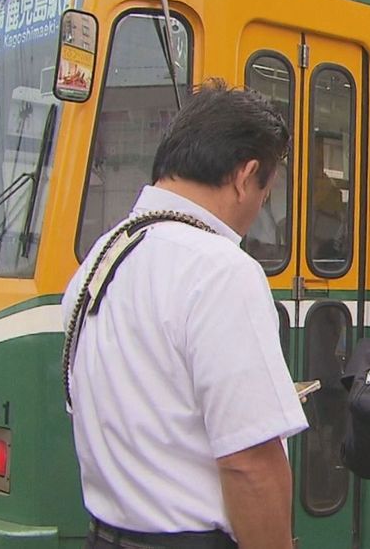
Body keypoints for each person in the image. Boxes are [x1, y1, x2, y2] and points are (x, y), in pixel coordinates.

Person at [63, 81, 308, 549]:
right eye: (266, 192)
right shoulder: (221, 269)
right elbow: (248, 462)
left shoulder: (102, 256)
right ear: (245, 175)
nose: (260, 208)